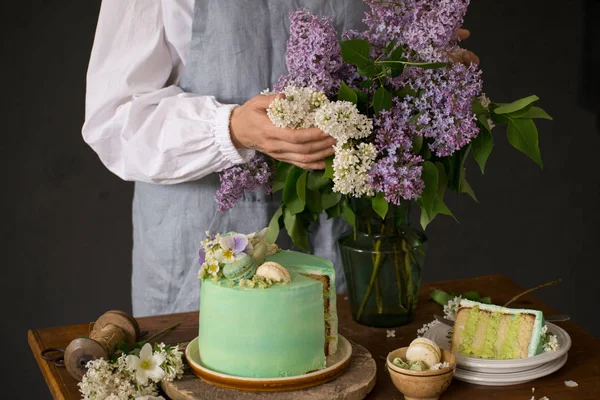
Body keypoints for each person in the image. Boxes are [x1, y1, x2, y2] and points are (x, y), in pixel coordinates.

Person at [83, 0, 479, 317]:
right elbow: (115, 119)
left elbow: (392, 52)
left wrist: (425, 64)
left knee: (338, 363)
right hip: (202, 239)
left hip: (341, 233)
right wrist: (232, 128)